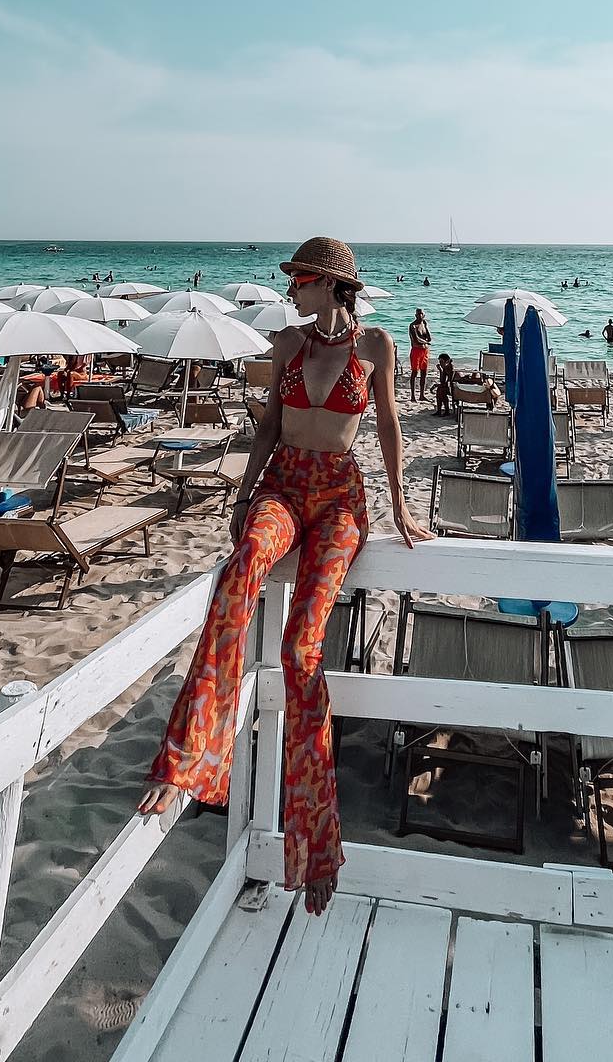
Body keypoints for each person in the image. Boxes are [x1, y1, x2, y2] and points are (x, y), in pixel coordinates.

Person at [139, 238, 431, 916]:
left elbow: (387, 426)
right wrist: (244, 498)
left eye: (300, 280)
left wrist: (401, 506)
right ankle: (186, 760)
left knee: (302, 651)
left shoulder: (380, 345)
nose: (291, 290)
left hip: (338, 499)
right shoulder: (285, 345)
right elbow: (269, 426)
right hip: (283, 487)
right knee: (241, 573)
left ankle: (316, 846)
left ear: (330, 286)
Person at [407, 308, 432, 403]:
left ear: (424, 315)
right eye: (418, 314)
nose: (420, 316)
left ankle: (422, 394)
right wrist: (425, 341)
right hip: (416, 350)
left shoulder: (424, 324)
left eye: (421, 314)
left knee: (424, 372)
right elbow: (416, 339)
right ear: (415, 315)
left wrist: (426, 341)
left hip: (425, 351)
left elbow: (429, 338)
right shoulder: (413, 326)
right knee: (414, 373)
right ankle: (413, 395)